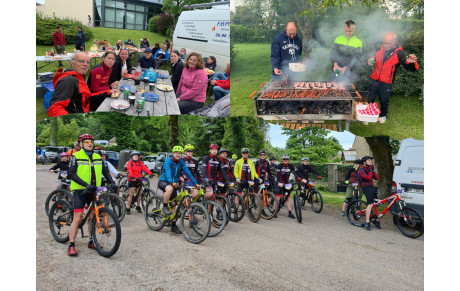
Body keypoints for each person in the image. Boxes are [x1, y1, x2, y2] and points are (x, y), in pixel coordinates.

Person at [67, 134, 115, 256]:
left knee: (93, 217)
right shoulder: (75, 156)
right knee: (77, 218)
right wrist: (85, 185)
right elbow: (71, 174)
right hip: (80, 191)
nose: (89, 144)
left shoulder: (98, 157)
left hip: (94, 191)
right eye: (87, 142)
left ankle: (91, 240)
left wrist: (112, 182)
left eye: (91, 142)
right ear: (81, 144)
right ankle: (71, 244)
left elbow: (106, 172)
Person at [368, 32, 419, 123]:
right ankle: (368, 115)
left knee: (384, 100)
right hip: (374, 79)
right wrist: (370, 59)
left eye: (389, 43)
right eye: (384, 43)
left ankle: (383, 116)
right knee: (370, 98)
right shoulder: (379, 48)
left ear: (394, 42)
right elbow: (373, 57)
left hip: (386, 82)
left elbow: (412, 69)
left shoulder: (400, 54)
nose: (386, 45)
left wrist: (412, 63)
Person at [48, 52, 112, 117]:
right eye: (81, 61)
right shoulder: (68, 80)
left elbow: (87, 96)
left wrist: (108, 92)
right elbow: (54, 108)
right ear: (72, 63)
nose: (85, 64)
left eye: (88, 62)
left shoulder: (79, 77)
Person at [158, 146, 199, 234]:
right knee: (169, 189)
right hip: (164, 181)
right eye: (176, 153)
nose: (178, 155)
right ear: (173, 153)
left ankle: (173, 225)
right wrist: (171, 182)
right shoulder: (168, 161)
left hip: (175, 184)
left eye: (180, 153)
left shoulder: (181, 162)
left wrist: (196, 183)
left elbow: (188, 172)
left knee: (174, 205)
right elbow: (168, 171)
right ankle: (164, 207)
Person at [328, 20, 363, 84]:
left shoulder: (358, 42)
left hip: (348, 71)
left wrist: (347, 67)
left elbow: (357, 58)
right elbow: (333, 53)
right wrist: (335, 64)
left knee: (344, 89)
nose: (347, 33)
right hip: (335, 68)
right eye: (346, 31)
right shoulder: (338, 39)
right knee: (331, 88)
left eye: (349, 31)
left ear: (354, 30)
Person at [126, 151, 153, 215]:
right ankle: (128, 207)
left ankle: (138, 206)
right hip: (132, 180)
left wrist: (151, 173)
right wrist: (131, 176)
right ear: (132, 156)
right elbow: (129, 169)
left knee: (139, 194)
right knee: (131, 194)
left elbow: (145, 168)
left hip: (139, 179)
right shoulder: (129, 163)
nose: (136, 157)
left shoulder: (140, 163)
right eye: (134, 156)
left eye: (137, 156)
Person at [357, 156, 379, 231]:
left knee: (375, 204)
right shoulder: (361, 170)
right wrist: (370, 171)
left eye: (371, 160)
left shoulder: (369, 169)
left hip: (372, 187)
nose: (370, 162)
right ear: (364, 162)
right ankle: (367, 222)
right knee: (370, 204)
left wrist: (373, 171)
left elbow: (376, 178)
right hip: (366, 188)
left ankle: (375, 219)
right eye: (369, 160)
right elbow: (368, 178)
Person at [275, 154, 298, 219]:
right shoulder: (279, 166)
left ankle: (290, 212)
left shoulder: (291, 166)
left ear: (288, 160)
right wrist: (279, 182)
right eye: (284, 159)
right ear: (282, 160)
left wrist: (300, 178)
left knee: (287, 198)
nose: (285, 160)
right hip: (280, 183)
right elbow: (278, 175)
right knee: (278, 198)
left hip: (287, 183)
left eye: (287, 159)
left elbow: (297, 172)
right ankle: (274, 211)